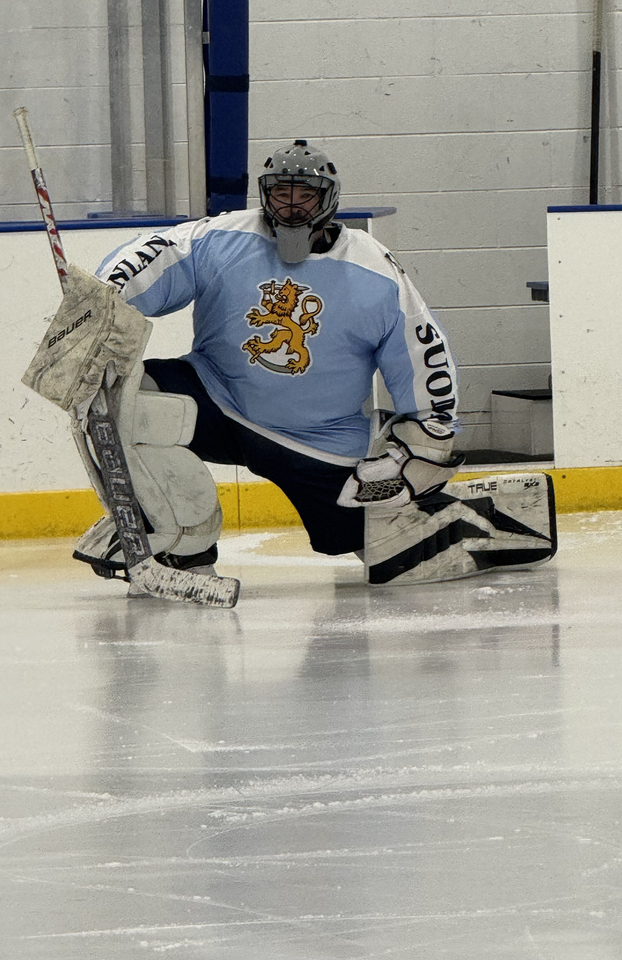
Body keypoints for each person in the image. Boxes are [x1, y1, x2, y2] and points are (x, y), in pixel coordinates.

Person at [74, 140, 555, 591]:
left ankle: (474, 518)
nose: (291, 205)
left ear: (328, 198)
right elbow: (156, 254)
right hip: (217, 400)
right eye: (280, 193)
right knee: (125, 399)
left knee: (387, 556)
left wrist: (427, 440)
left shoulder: (373, 268)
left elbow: (422, 350)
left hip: (318, 442)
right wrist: (104, 296)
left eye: (304, 194)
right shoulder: (222, 238)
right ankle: (179, 539)